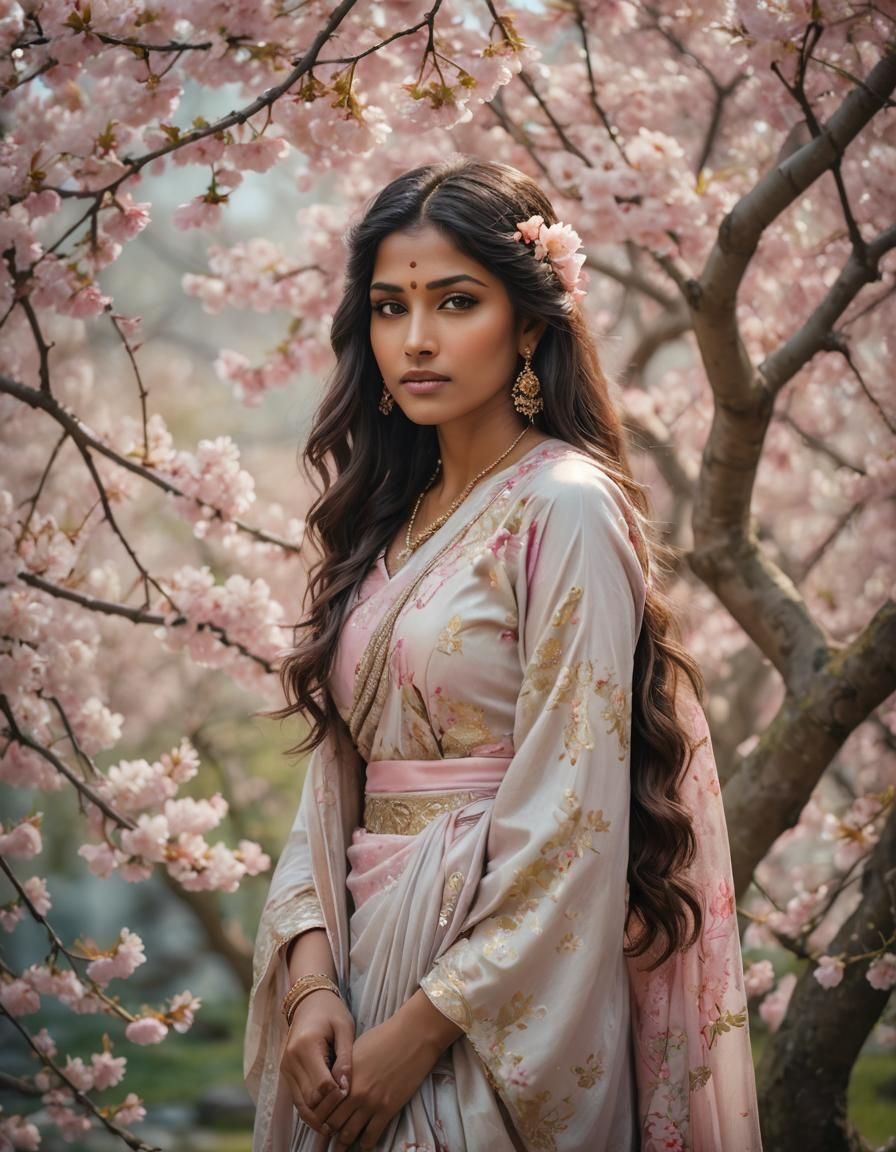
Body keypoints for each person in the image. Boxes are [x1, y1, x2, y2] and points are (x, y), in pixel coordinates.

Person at [244, 156, 762, 1152]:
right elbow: (332, 779)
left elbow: (574, 817)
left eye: (454, 302)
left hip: (501, 999)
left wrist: (416, 1038)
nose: (417, 339)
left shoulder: (563, 507)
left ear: (528, 324)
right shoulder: (387, 526)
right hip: (356, 976)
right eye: (390, 308)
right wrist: (311, 976)